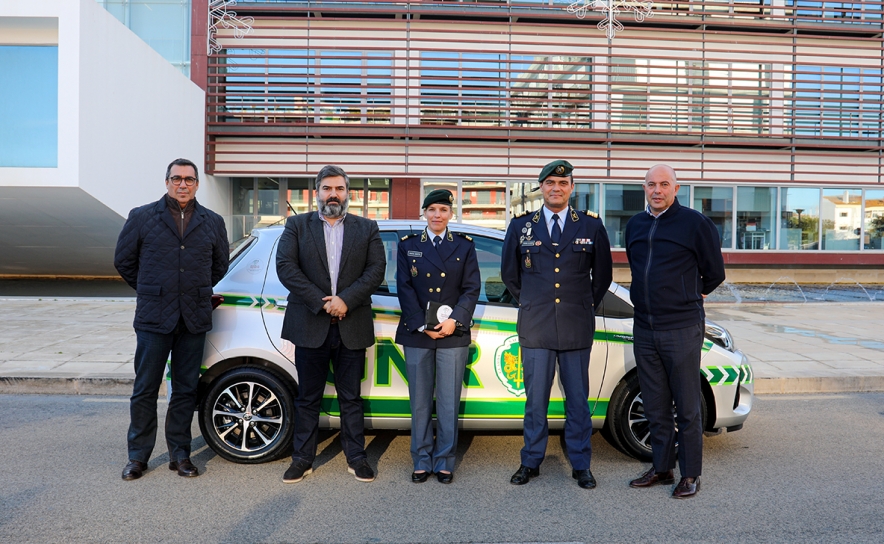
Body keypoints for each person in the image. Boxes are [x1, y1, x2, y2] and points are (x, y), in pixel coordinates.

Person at [114, 158, 229, 481]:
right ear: (167, 182)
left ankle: (180, 454)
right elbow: (123, 261)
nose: (183, 184)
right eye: (177, 178)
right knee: (145, 389)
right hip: (154, 317)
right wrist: (152, 289)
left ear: (197, 184)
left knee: (185, 390)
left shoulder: (212, 221)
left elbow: (220, 265)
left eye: (189, 179)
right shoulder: (142, 217)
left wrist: (190, 291)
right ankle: (138, 456)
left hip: (193, 317)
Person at [501, 160, 613, 489]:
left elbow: (602, 276)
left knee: (577, 401)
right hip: (536, 327)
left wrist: (582, 305)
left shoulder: (591, 226)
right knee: (535, 401)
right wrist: (533, 301)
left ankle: (581, 464)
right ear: (541, 188)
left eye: (563, 183)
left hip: (576, 326)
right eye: (550, 183)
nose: (556, 188)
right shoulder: (521, 226)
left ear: (571, 188)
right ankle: (530, 460)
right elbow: (510, 274)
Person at [276, 165, 385, 484]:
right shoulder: (297, 225)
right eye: (327, 188)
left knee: (351, 398)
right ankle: (302, 459)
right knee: (307, 397)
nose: (333, 194)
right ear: (317, 192)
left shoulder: (367, 228)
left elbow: (376, 270)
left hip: (352, 324)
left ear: (348, 193)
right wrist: (323, 302)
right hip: (310, 323)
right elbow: (286, 267)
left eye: (339, 188)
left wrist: (346, 300)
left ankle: (357, 457)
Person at [624, 164, 726, 499]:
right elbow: (637, 268)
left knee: (686, 405)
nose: (657, 190)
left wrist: (689, 294)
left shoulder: (695, 223)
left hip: (681, 326)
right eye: (651, 184)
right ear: (644, 188)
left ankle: (690, 474)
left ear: (676, 188)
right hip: (644, 327)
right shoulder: (635, 225)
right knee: (655, 404)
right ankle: (662, 467)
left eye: (664, 184)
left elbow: (714, 273)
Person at [395, 189, 480, 484]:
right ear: (424, 213)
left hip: (451, 333)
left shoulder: (464, 246)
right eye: (431, 209)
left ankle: (444, 460)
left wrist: (454, 320)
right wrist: (422, 324)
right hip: (418, 333)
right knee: (419, 401)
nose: (437, 215)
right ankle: (421, 459)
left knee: (447, 401)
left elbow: (472, 288)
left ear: (450, 214)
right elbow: (404, 287)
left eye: (443, 210)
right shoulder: (408, 246)